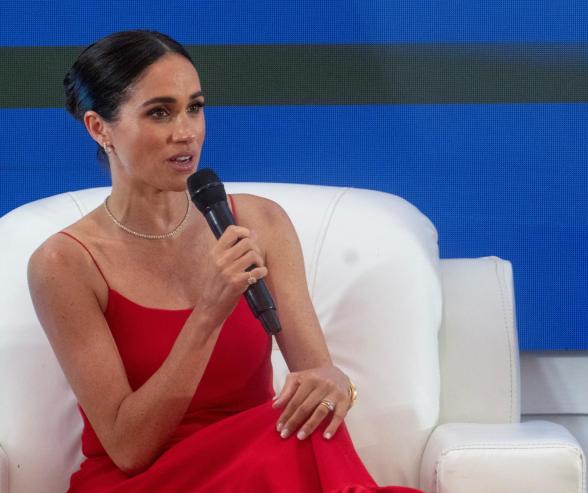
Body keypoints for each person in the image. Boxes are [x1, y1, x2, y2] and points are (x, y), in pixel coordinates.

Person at [27, 30, 423, 492]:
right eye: (160, 112)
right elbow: (129, 449)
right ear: (100, 128)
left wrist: (335, 385)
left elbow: (315, 376)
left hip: (259, 469)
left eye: (194, 107)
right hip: (145, 480)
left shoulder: (260, 221)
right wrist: (209, 311)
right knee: (292, 443)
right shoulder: (63, 263)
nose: (186, 132)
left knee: (302, 430)